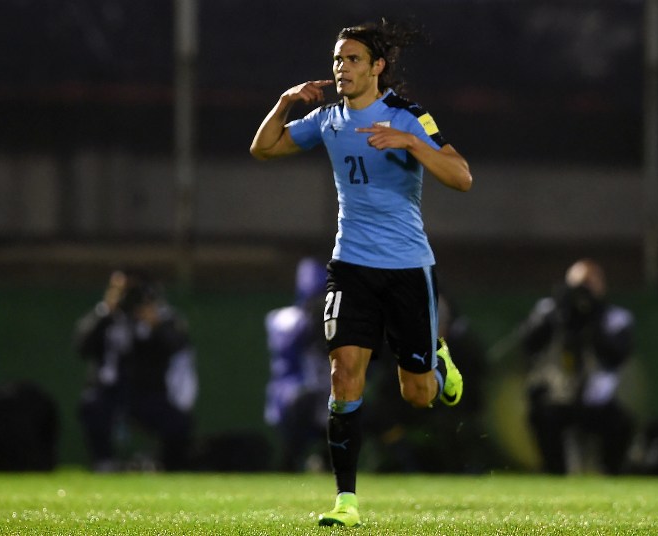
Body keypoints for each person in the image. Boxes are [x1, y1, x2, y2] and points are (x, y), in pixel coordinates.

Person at [250, 18, 472, 527]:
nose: (341, 68)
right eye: (336, 60)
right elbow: (264, 148)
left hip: (406, 270)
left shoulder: (411, 117)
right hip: (350, 267)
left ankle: (436, 361)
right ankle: (346, 501)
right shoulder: (328, 119)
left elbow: (461, 177)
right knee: (343, 375)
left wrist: (411, 143)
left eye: (352, 59)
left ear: (377, 66)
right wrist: (285, 104)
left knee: (417, 394)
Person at [519, 258, 635, 475]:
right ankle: (554, 474)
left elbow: (616, 355)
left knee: (621, 424)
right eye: (578, 285)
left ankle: (611, 475)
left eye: (589, 285)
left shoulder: (614, 317)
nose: (583, 292)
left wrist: (593, 320)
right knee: (541, 416)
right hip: (557, 397)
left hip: (598, 401)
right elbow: (528, 344)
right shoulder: (549, 311)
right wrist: (558, 314)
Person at [75, 270, 198, 472]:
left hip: (149, 392)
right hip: (111, 391)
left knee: (179, 421)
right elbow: (82, 346)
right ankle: (104, 461)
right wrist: (106, 311)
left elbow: (179, 345)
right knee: (93, 406)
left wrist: (155, 324)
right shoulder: (106, 317)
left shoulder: (164, 318)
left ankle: (169, 464)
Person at [264, 257, 331, 472]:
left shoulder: (331, 318)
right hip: (290, 390)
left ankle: (327, 461)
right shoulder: (287, 318)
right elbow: (287, 343)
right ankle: (289, 464)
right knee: (304, 400)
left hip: (324, 392)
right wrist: (312, 321)